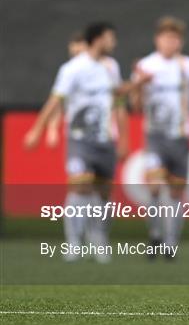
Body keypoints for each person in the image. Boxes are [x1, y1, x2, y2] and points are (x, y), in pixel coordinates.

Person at [24, 22, 139, 263]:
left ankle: (98, 238)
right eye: (110, 38)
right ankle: (74, 243)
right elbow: (55, 100)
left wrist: (125, 138)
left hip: (106, 139)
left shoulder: (111, 66)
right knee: (80, 186)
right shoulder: (73, 68)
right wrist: (37, 129)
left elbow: (117, 102)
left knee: (104, 193)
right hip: (80, 139)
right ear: (97, 39)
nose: (113, 43)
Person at [130, 16, 189, 260]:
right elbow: (135, 106)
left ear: (180, 42)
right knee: (154, 187)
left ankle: (170, 243)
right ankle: (154, 235)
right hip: (155, 136)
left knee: (175, 192)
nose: (169, 42)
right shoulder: (146, 66)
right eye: (165, 38)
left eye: (174, 38)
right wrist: (140, 85)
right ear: (157, 40)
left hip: (181, 136)